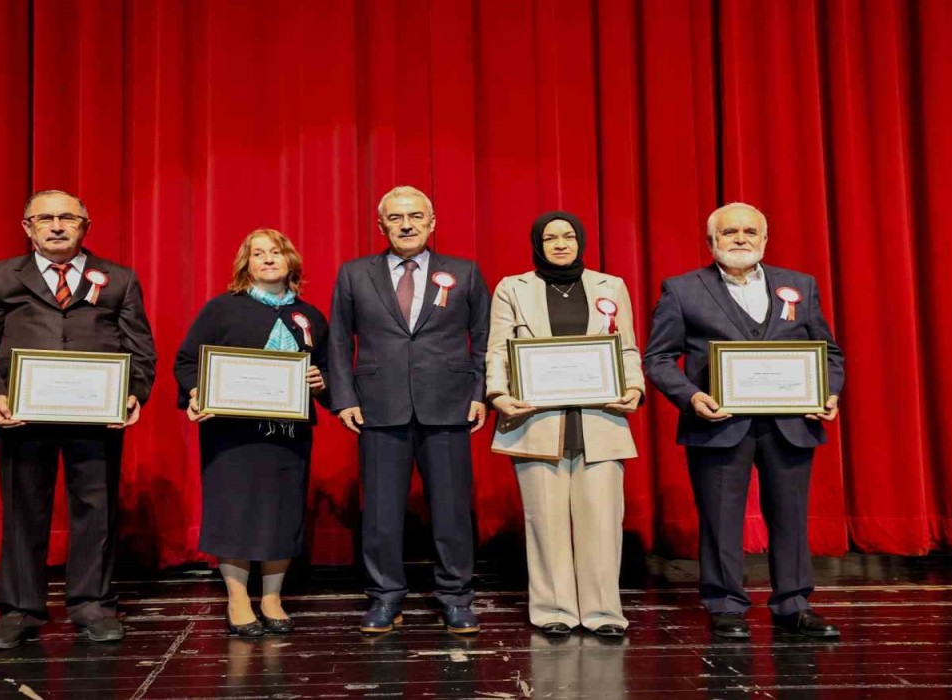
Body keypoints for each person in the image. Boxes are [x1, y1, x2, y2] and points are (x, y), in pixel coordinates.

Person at [0, 190, 157, 649]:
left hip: (96, 414)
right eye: (44, 218)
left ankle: (92, 604)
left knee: (97, 509)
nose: (56, 226)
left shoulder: (119, 280)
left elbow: (141, 349)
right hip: (22, 415)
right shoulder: (1, 276)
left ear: (85, 225)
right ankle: (20, 609)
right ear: (27, 227)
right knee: (23, 509)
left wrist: (133, 393)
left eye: (67, 217)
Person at [643, 202, 844, 640]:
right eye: (729, 231)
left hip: (789, 424)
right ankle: (726, 605)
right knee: (720, 518)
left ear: (764, 240)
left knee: (790, 516)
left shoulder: (799, 286)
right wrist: (692, 396)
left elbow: (828, 352)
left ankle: (793, 603)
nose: (740, 238)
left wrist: (828, 391)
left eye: (749, 232)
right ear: (711, 241)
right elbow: (657, 359)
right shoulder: (682, 289)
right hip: (717, 423)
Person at [328, 185, 491, 635]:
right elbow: (339, 341)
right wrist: (344, 398)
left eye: (416, 216)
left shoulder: (465, 272)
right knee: (380, 514)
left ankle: (456, 598)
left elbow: (484, 340)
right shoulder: (354, 274)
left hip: (449, 406)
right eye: (396, 218)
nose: (406, 224)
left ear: (432, 222)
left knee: (453, 512)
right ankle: (384, 597)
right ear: (381, 225)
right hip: (379, 408)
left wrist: (480, 393)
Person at [484, 211, 645, 637]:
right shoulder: (512, 289)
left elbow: (627, 348)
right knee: (546, 521)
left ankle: (603, 613)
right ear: (538, 243)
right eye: (551, 237)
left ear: (580, 241)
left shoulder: (610, 287)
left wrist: (635, 387)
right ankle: (552, 609)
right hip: (536, 420)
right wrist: (498, 395)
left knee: (602, 520)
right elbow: (497, 349)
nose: (560, 244)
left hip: (601, 419)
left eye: (568, 236)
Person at [174, 229, 330, 636]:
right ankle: (238, 597)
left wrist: (321, 381)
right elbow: (188, 361)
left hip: (288, 434)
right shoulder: (222, 310)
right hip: (231, 435)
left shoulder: (310, 316)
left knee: (283, 512)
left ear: (290, 260)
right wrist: (195, 392)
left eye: (275, 252)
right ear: (246, 264)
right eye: (257, 253)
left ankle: (273, 597)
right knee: (235, 511)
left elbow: (331, 370)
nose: (267, 259)